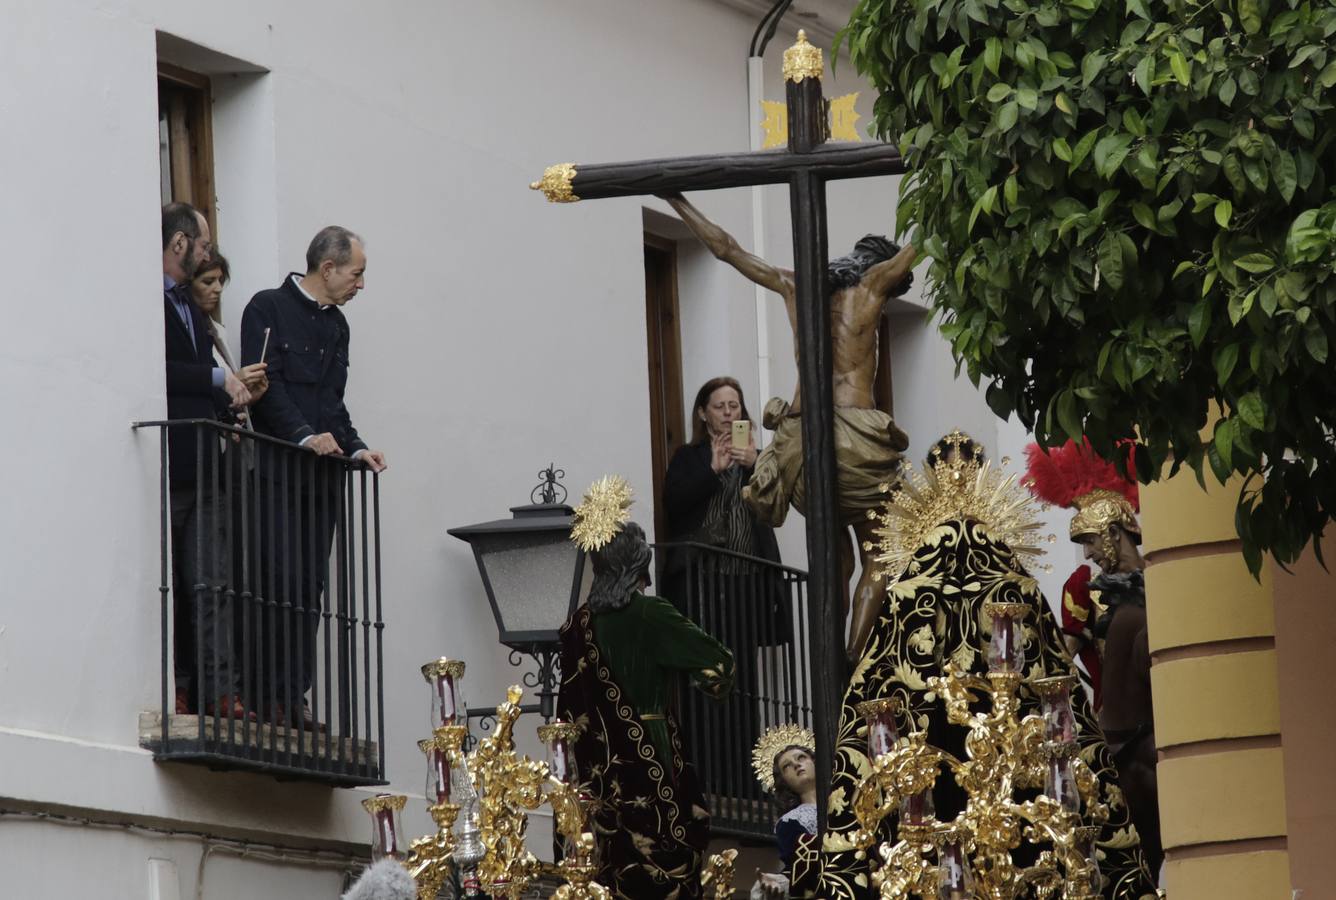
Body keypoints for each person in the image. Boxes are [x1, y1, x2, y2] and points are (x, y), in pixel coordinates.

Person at [817, 432, 1158, 899]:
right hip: (1019, 794)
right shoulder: (1017, 588)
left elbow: (874, 699)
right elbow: (1055, 685)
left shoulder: (905, 596)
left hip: (926, 783)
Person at [660, 193, 915, 664]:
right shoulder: (873, 284)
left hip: (802, 443)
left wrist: (677, 199)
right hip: (857, 438)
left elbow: (728, 249)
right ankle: (852, 660)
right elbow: (923, 245)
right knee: (879, 557)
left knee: (832, 560)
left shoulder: (794, 286)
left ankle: (828, 663)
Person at [558, 476, 735, 899]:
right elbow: (718, 661)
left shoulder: (575, 627)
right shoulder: (649, 613)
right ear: (637, 563)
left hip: (595, 768)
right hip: (649, 748)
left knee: (610, 861)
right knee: (665, 843)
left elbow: (567, 710)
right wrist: (709, 683)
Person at [239, 226, 387, 728]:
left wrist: (358, 447)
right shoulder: (267, 308)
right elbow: (268, 389)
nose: (360, 284)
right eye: (357, 273)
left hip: (319, 481)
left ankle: (291, 696)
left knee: (308, 588)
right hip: (277, 472)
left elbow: (333, 404)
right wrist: (305, 436)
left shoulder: (337, 327)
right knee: (274, 581)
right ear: (328, 269)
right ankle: (263, 693)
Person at [1025, 439, 1162, 877]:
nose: (1087, 553)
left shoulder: (1162, 573)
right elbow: (1064, 661)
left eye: (1089, 540)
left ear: (1113, 532)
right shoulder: (1084, 587)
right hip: (1113, 720)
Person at [663, 376, 785, 795]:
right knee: (705, 682)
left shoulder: (759, 459)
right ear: (703, 413)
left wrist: (755, 465)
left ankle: (744, 781)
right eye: (720, 406)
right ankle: (706, 779)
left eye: (735, 405)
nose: (730, 412)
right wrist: (712, 472)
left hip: (745, 587)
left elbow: (778, 505)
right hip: (701, 586)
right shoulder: (689, 457)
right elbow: (674, 505)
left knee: (744, 682)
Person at [162, 203, 255, 719]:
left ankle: (220, 691)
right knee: (176, 583)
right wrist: (219, 381)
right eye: (201, 244)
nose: (206, 253)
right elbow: (156, 368)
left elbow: (198, 379)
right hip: (172, 463)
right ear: (179, 244)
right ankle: (178, 686)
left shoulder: (190, 308)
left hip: (205, 465)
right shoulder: (148, 301)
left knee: (212, 584)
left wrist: (232, 405)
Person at [749, 725, 819, 900]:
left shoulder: (847, 797)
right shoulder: (789, 822)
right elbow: (798, 863)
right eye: (787, 766)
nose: (796, 764)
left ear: (814, 761)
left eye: (801, 757)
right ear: (784, 781)